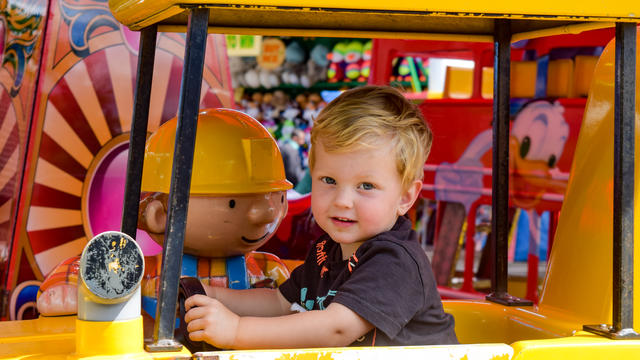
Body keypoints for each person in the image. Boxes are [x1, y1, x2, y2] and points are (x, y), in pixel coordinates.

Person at [184, 86, 458, 349]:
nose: (342, 201)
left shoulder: (394, 261)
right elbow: (280, 303)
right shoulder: (327, 251)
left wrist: (236, 331)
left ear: (405, 198)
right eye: (329, 180)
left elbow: (335, 328)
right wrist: (209, 295)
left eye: (366, 186)